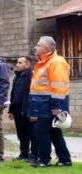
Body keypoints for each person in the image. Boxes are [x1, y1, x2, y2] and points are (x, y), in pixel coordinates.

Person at [28, 36, 72, 167]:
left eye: (38, 45)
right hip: (43, 104)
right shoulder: (44, 62)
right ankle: (65, 159)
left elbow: (59, 86)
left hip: (50, 104)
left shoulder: (56, 62)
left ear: (46, 48)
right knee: (54, 132)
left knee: (41, 131)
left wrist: (56, 107)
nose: (35, 47)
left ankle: (44, 160)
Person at [9, 55, 37, 161]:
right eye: (17, 62)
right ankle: (24, 153)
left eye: (20, 63)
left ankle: (34, 155)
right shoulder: (17, 76)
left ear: (28, 64)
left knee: (32, 133)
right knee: (21, 133)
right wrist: (11, 110)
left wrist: (33, 111)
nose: (17, 65)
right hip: (17, 110)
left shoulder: (32, 76)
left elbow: (33, 95)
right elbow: (13, 94)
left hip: (27, 109)